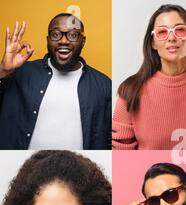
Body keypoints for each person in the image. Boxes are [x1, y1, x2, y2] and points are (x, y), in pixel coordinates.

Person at [112, 4, 186, 150]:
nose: (171, 38)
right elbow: (120, 155)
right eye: (162, 32)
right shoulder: (131, 90)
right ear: (152, 42)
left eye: (179, 30)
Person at [0, 14, 111, 150]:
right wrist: (3, 72)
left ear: (83, 41)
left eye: (73, 35)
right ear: (48, 40)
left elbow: (109, 139)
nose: (63, 41)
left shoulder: (104, 85)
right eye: (56, 34)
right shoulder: (20, 72)